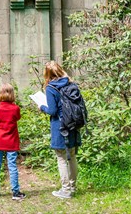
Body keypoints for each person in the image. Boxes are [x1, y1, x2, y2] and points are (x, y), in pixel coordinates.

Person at [39, 61, 81, 199]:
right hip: (73, 124)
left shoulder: (51, 88)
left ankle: (66, 190)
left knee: (61, 157)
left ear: (48, 74)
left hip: (60, 126)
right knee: (72, 156)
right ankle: (73, 187)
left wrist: (41, 107)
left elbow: (52, 110)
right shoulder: (71, 84)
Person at [0, 83, 26, 200]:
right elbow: (17, 118)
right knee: (12, 166)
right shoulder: (15, 108)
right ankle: (15, 192)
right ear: (12, 94)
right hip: (11, 141)